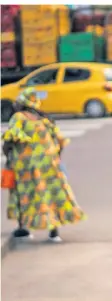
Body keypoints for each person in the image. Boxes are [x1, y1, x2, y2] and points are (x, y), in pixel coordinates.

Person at [1, 87, 86, 242]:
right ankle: (54, 232)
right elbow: (60, 141)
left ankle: (23, 230)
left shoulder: (19, 118)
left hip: (26, 167)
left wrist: (8, 157)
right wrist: (55, 159)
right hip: (49, 165)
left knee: (25, 196)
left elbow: (9, 141)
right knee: (50, 195)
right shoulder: (45, 119)